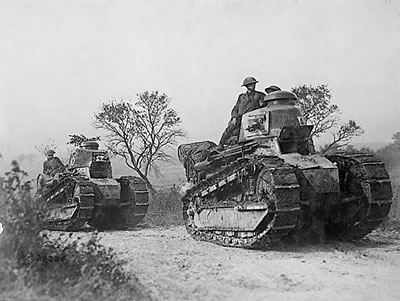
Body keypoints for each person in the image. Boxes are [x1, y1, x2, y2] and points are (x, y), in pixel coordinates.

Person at [217, 76, 266, 150]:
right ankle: (221, 144)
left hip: (251, 118)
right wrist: (234, 117)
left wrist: (262, 104)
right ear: (246, 86)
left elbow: (265, 106)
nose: (252, 86)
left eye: (253, 84)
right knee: (231, 127)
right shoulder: (241, 97)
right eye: (250, 84)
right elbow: (236, 108)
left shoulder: (260, 95)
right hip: (239, 117)